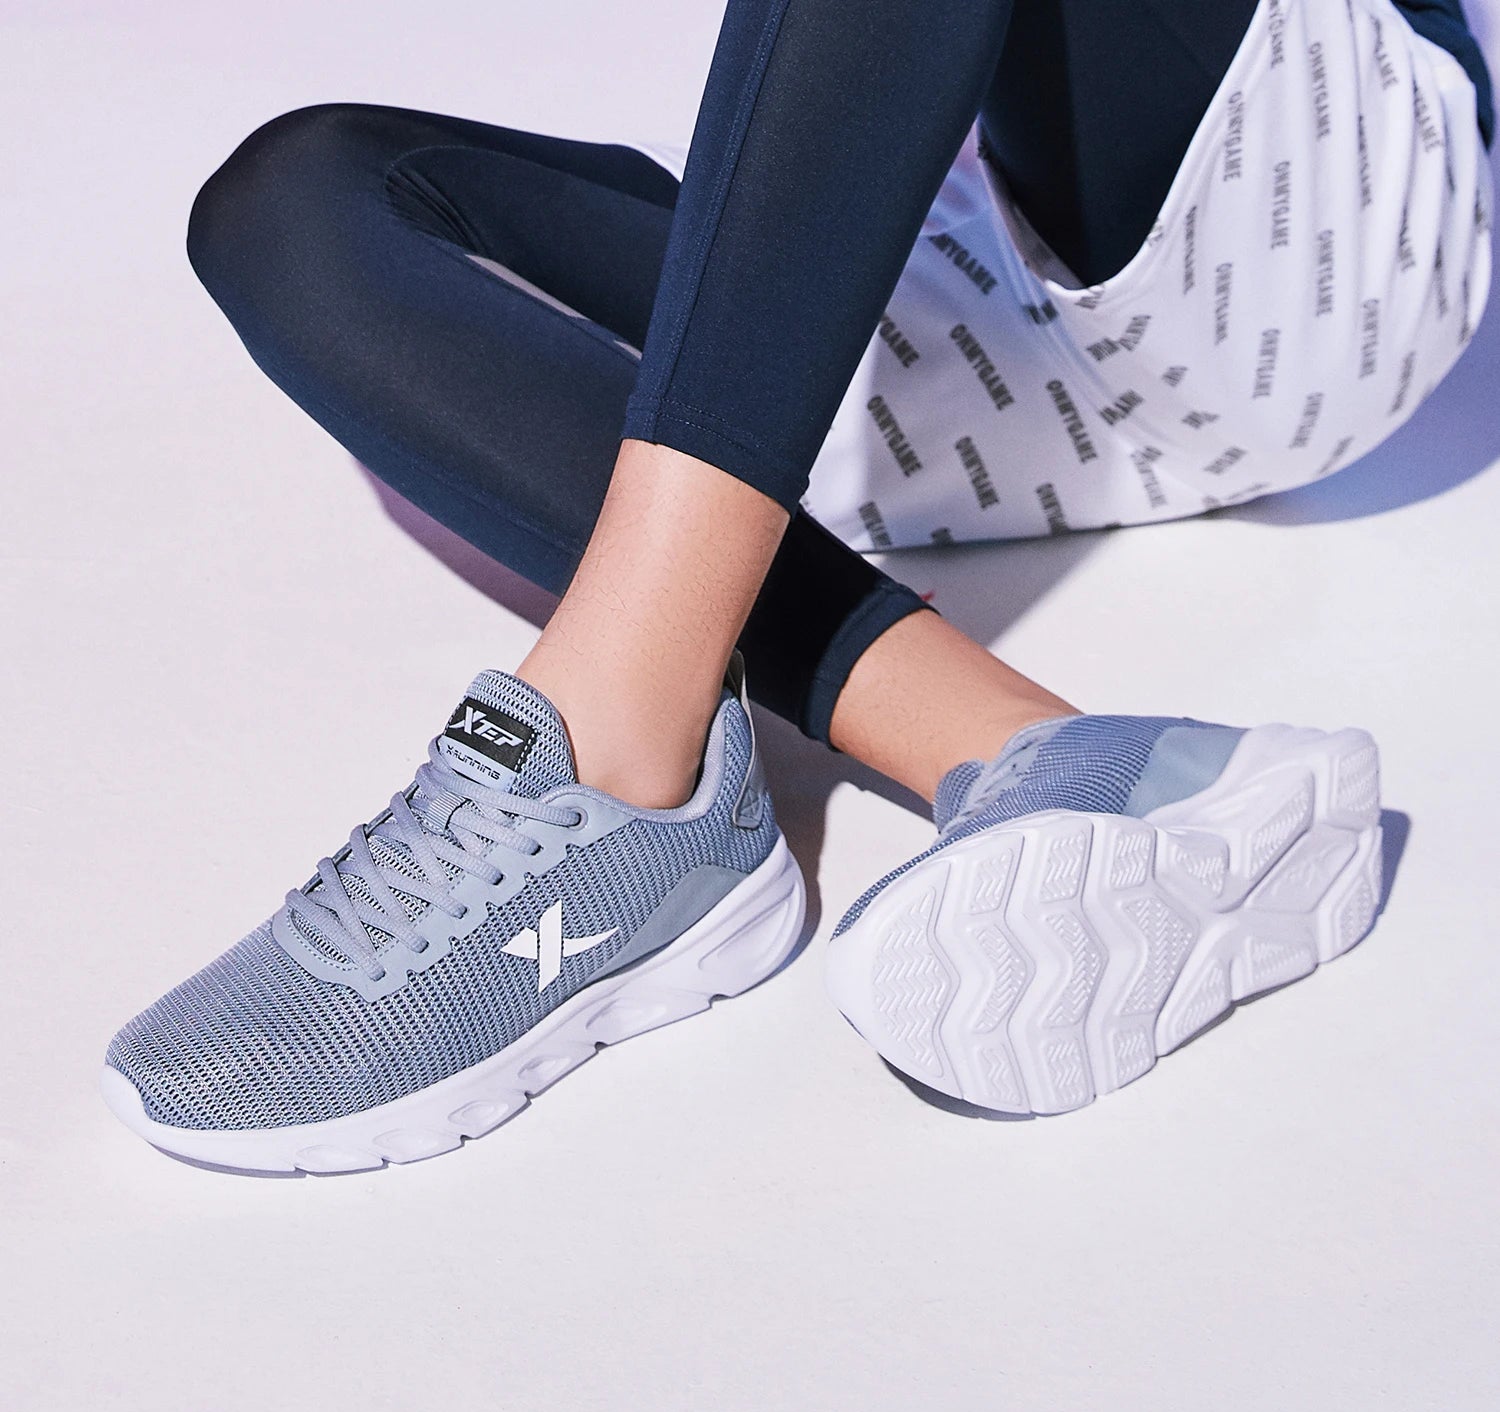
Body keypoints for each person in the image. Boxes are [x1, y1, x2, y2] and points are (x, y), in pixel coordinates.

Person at [101, 0, 1492, 1168]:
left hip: (1304, 216)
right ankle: (1043, 755)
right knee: (301, 204)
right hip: (977, 283)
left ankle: (613, 743)